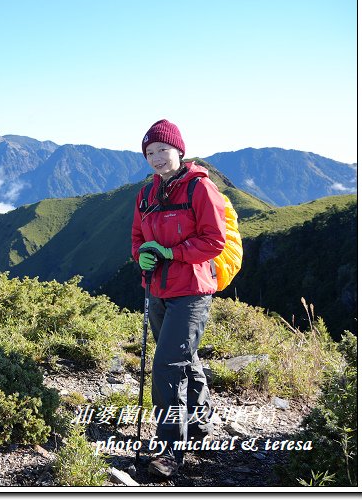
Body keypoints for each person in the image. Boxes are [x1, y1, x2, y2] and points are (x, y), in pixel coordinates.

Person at [131, 119, 227, 480]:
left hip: (192, 290)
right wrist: (141, 254)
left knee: (167, 367)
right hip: (157, 289)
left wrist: (171, 252)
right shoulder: (145, 195)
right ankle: (200, 425)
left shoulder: (200, 188)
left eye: (163, 150)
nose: (157, 158)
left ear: (179, 150)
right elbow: (138, 236)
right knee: (184, 359)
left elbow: (214, 241)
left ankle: (170, 450)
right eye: (150, 152)